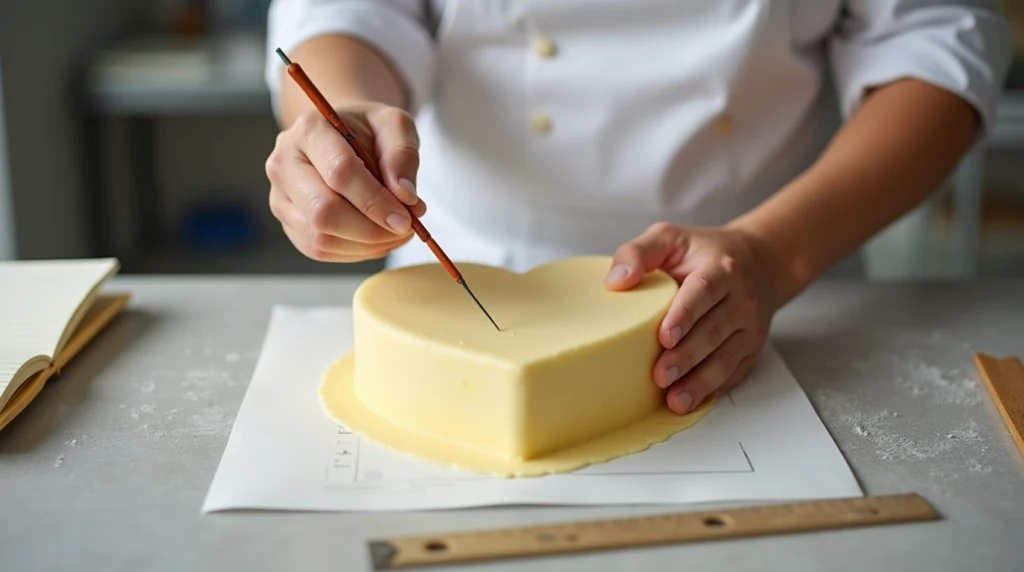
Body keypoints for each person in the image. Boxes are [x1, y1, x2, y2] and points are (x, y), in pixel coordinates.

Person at [262, 1, 1012, 415]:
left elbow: (935, 37)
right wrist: (342, 122)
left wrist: (777, 255)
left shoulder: (774, 265)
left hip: (765, 289)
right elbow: (346, 12)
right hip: (461, 272)